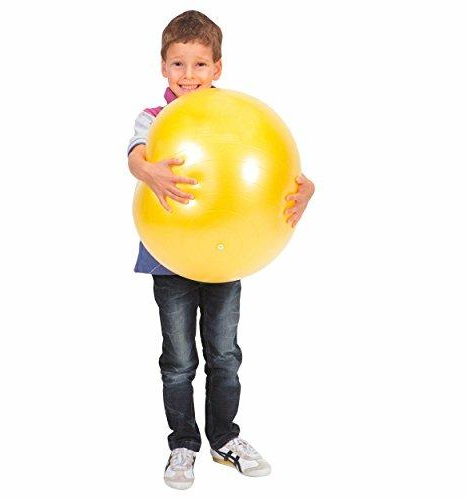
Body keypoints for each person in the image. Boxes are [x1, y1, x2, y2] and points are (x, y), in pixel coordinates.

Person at [127, 10, 315, 490]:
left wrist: (306, 189)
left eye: (199, 64)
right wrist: (147, 170)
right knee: (178, 360)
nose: (188, 75)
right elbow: (136, 155)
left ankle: (224, 438)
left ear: (218, 68)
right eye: (178, 64)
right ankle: (183, 445)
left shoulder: (237, 119)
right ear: (163, 67)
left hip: (228, 255)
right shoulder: (154, 118)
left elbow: (269, 166)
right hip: (168, 257)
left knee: (225, 354)